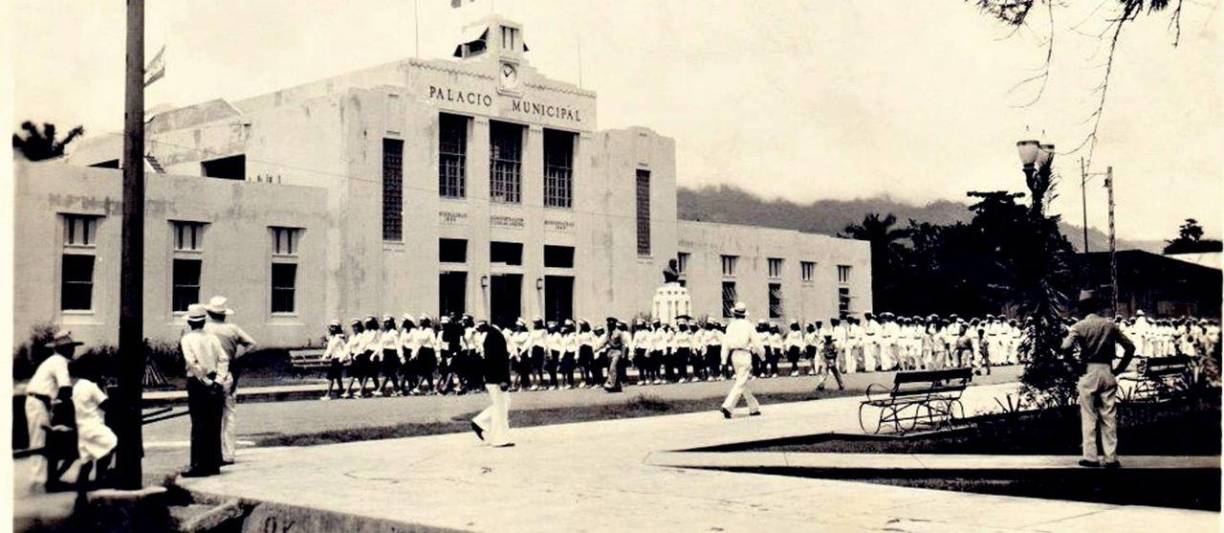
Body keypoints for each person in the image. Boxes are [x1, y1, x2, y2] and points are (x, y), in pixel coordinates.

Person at [1062, 290, 1136, 468]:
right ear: (1097, 307)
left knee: (1089, 416)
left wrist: (1076, 366)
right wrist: (1119, 369)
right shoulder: (1109, 325)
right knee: (1109, 416)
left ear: (1082, 308)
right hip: (1107, 370)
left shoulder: (1079, 326)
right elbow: (1130, 347)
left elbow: (1065, 347)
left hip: (1089, 370)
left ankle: (1091, 457)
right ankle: (1111, 458)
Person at [203, 296, 256, 466]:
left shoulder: (204, 328)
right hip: (228, 371)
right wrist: (237, 357)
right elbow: (252, 344)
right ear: (224, 314)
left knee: (209, 415)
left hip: (209, 371)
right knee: (229, 414)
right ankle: (228, 453)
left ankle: (211, 453)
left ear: (210, 313)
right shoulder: (232, 329)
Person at [24, 329, 79, 491]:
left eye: (72, 347)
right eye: (69, 347)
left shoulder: (54, 361)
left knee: (44, 441)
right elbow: (65, 388)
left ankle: (45, 479)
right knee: (39, 441)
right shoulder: (59, 361)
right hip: (38, 401)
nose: (72, 350)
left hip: (41, 402)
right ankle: (37, 481)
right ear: (62, 349)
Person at [181, 304, 227, 477]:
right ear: (204, 322)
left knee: (198, 423)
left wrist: (206, 381)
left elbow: (192, 362)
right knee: (214, 423)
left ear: (190, 322)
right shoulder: (213, 338)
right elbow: (223, 359)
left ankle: (198, 464)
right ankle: (213, 463)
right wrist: (218, 381)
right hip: (215, 379)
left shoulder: (187, 339)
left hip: (198, 382)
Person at [69, 352, 117, 486]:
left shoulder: (77, 387)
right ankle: (100, 477)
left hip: (81, 428)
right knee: (112, 444)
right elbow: (106, 405)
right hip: (93, 426)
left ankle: (82, 489)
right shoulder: (91, 386)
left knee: (87, 460)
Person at [471, 321, 514, 447]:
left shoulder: (492, 335)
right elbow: (498, 360)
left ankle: (480, 422)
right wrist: (503, 379)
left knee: (503, 404)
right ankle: (499, 439)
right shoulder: (495, 336)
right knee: (500, 407)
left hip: (493, 377)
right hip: (496, 378)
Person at [720, 302, 764, 419]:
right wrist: (762, 357)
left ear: (734, 314)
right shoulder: (748, 326)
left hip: (734, 355)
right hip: (745, 354)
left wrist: (724, 360)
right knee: (741, 381)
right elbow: (757, 343)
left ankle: (754, 408)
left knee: (742, 381)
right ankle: (727, 406)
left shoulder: (730, 326)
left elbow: (725, 344)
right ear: (744, 314)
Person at [603, 318, 633, 392]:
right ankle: (617, 386)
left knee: (612, 368)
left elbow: (623, 344)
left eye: (610, 324)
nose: (608, 326)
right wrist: (596, 348)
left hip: (617, 352)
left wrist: (623, 354)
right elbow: (604, 342)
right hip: (610, 353)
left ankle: (611, 383)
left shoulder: (619, 333)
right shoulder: (609, 333)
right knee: (613, 369)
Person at [321, 320, 348, 400]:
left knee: (331, 377)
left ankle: (328, 394)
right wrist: (324, 357)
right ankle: (341, 392)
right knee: (338, 377)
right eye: (331, 327)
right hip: (334, 358)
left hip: (339, 358)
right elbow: (329, 349)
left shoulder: (339, 338)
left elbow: (345, 348)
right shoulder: (332, 338)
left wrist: (346, 358)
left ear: (337, 328)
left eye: (334, 327)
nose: (332, 328)